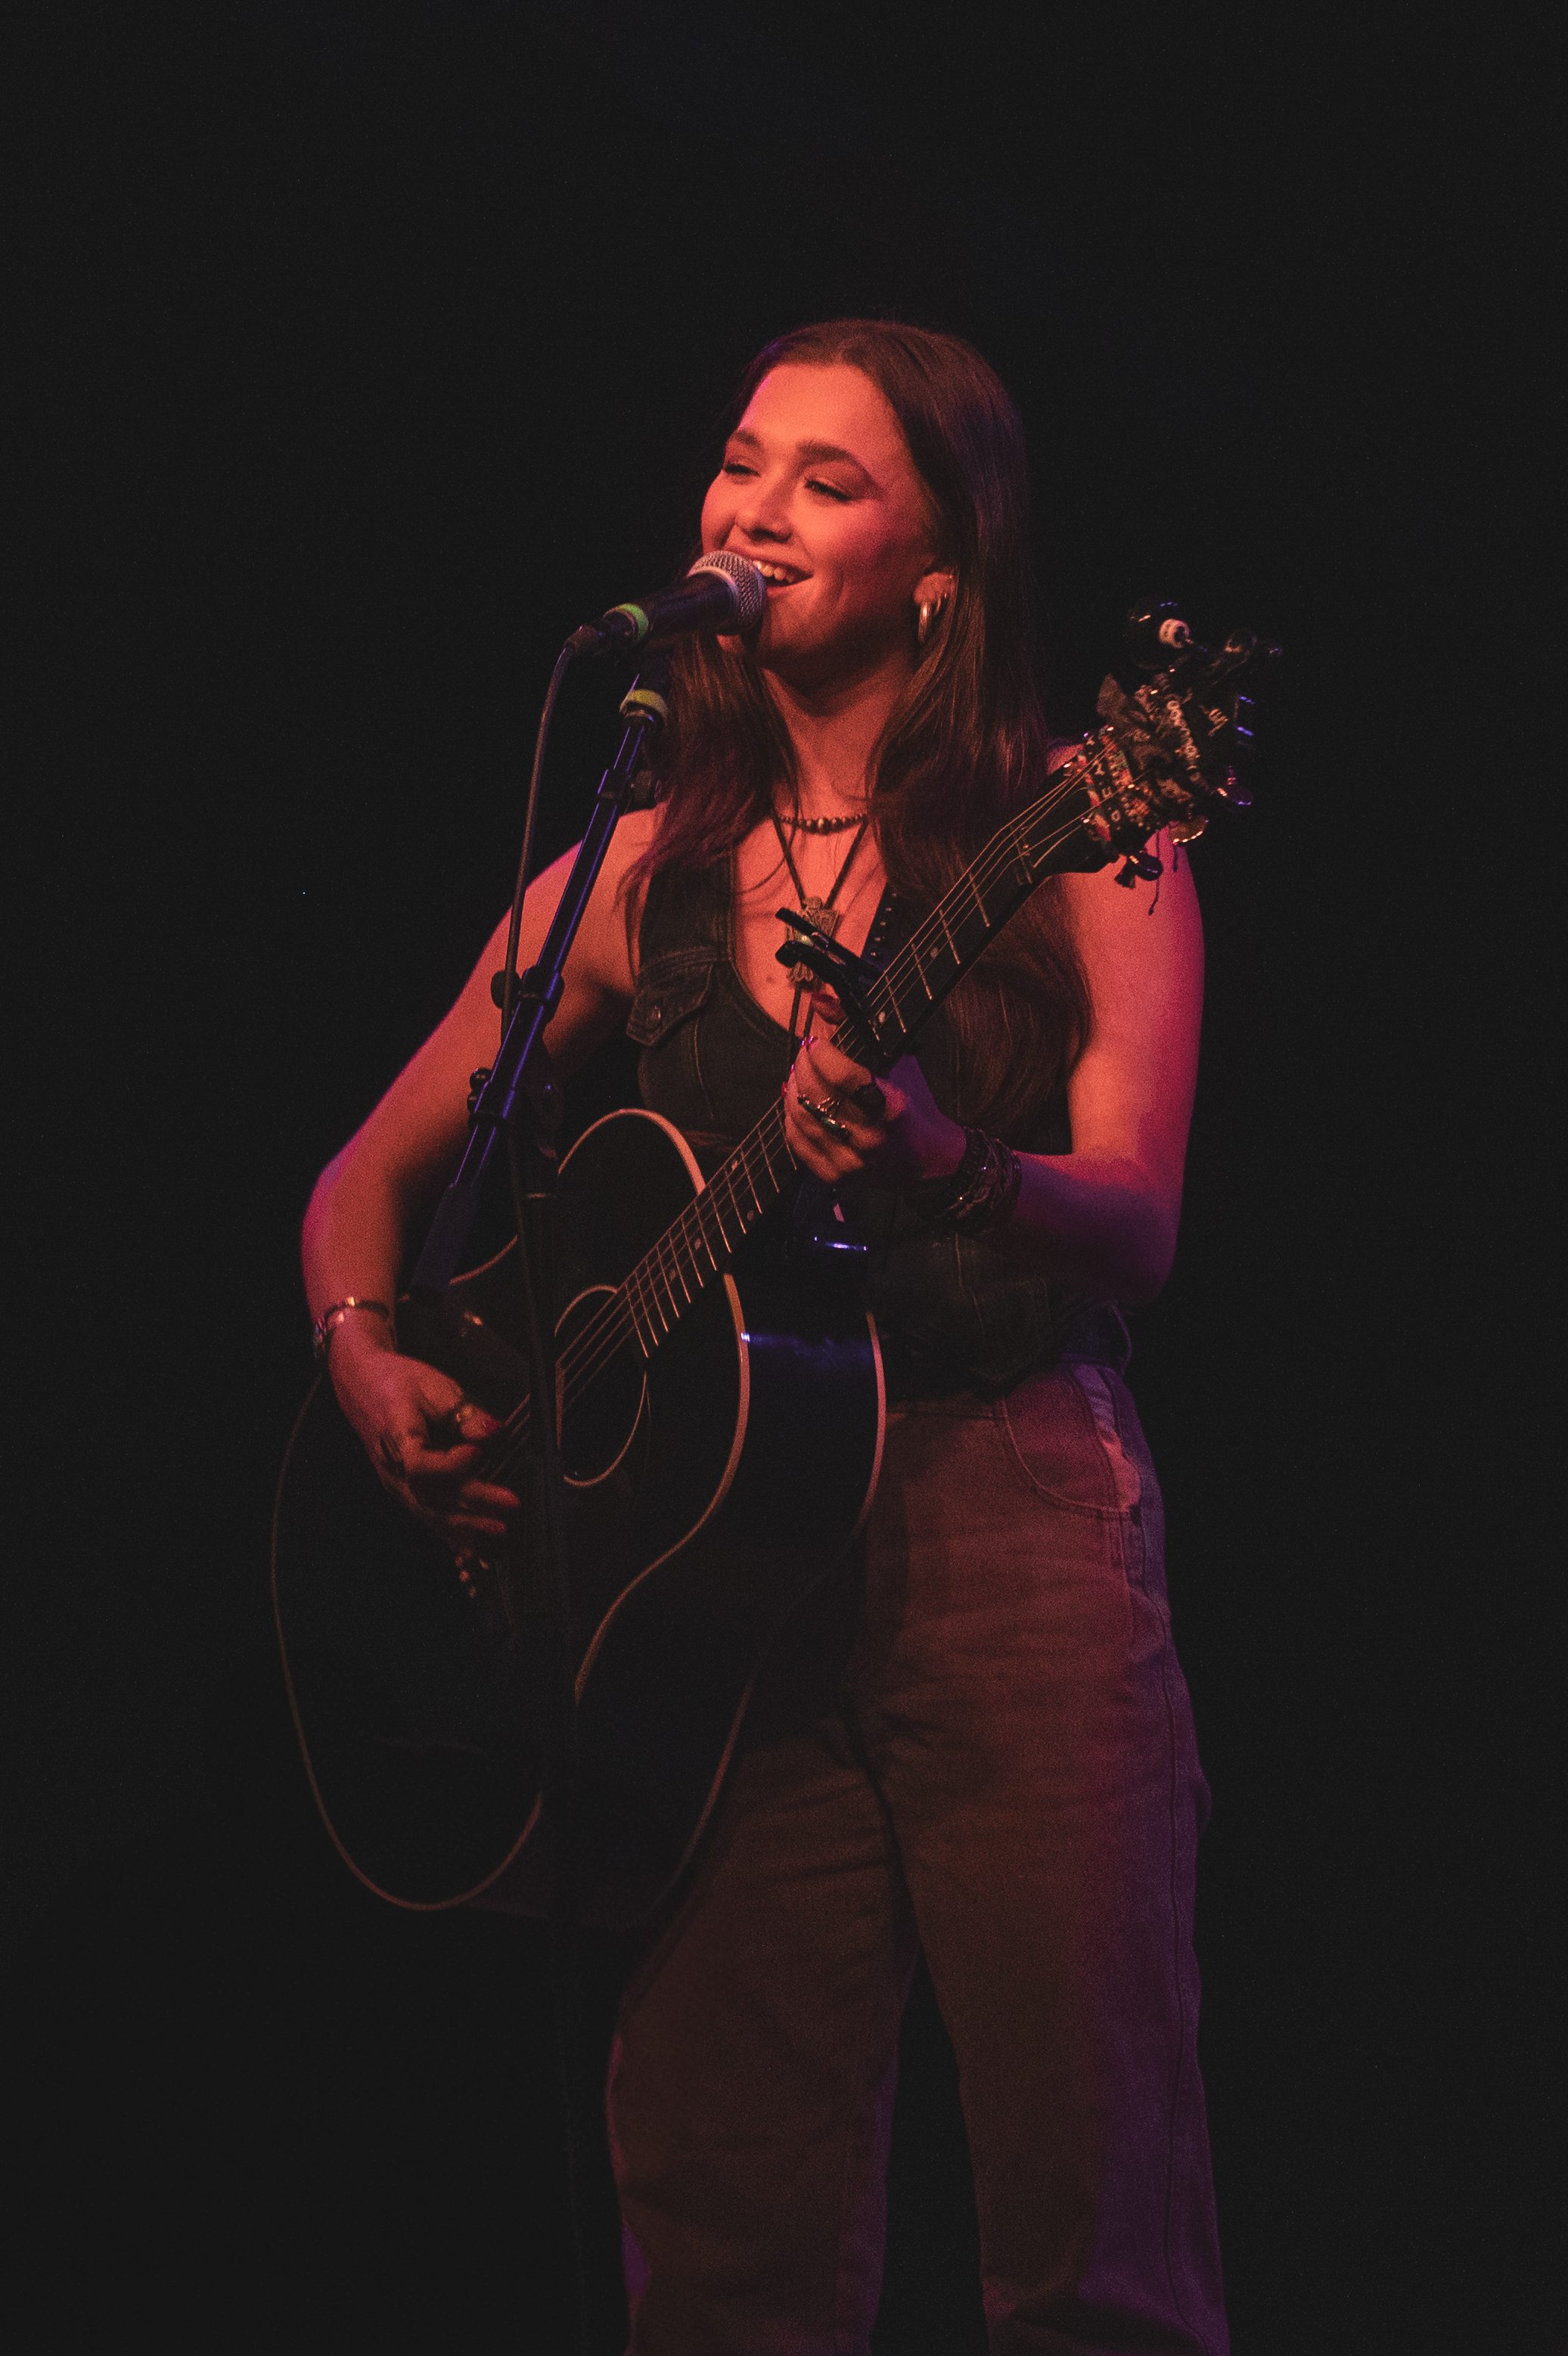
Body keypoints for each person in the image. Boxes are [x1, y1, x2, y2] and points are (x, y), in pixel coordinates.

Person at [302, 318, 1227, 2354]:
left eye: (829, 478)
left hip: (1006, 1517)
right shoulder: (645, 861)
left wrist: (939, 1160)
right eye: (740, 461)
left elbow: (1135, 1218)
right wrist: (371, 1356)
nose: (753, 507)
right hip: (713, 1601)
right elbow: (362, 1181)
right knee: (721, 2245)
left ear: (939, 567)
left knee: (1090, 2236)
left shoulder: (1092, 823)